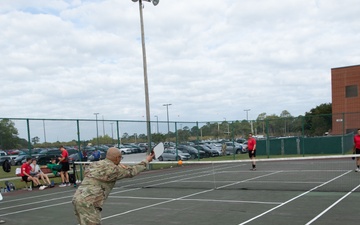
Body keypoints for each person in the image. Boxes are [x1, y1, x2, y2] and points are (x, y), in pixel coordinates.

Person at [72, 147, 154, 225]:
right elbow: (132, 171)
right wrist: (146, 160)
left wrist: (118, 165)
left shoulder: (94, 164)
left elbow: (106, 169)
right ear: (117, 158)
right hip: (89, 202)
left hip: (78, 198)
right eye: (120, 158)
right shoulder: (114, 170)